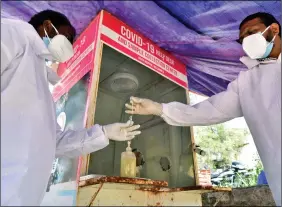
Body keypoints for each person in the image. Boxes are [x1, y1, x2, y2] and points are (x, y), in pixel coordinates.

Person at [125, 12, 281, 206]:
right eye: (242, 39)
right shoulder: (246, 83)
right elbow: (208, 111)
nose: (247, 41)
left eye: (252, 32)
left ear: (274, 29)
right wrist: (159, 108)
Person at [1, 10, 141, 206]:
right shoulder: (13, 33)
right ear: (48, 26)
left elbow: (54, 143)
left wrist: (104, 133)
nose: (69, 45)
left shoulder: (42, 86)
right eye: (67, 37)